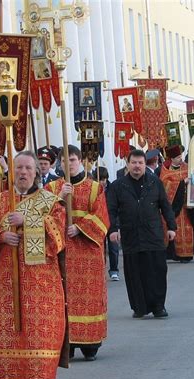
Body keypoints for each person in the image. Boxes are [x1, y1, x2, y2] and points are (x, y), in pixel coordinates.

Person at [0, 151, 67, 379]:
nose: (23, 172)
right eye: (19, 168)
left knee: (39, 328)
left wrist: (27, 220)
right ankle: (17, 376)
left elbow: (58, 234)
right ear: (12, 172)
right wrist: (0, 236)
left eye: (28, 168)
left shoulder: (50, 201)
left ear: (37, 172)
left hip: (41, 280)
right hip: (5, 277)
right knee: (11, 328)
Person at [45, 145, 109, 360]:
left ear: (81, 160)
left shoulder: (94, 188)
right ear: (59, 163)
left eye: (72, 159)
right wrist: (59, 197)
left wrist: (80, 227)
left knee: (88, 296)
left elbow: (102, 217)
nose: (68, 164)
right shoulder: (52, 187)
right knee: (64, 298)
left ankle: (91, 343)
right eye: (64, 161)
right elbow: (41, 213)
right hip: (62, 251)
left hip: (87, 252)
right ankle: (68, 343)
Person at [107, 149, 177, 318]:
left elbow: (165, 206)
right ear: (128, 164)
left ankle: (159, 306)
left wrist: (171, 227)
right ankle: (139, 307)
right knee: (134, 274)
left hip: (153, 235)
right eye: (134, 163)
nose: (137, 166)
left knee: (157, 271)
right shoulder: (118, 186)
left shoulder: (155, 183)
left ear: (145, 164)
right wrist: (113, 230)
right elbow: (111, 210)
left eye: (140, 163)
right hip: (131, 236)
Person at [93, 166, 120, 281]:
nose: (102, 182)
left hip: (111, 221)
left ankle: (114, 270)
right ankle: (101, 270)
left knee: (113, 248)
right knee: (100, 248)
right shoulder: (93, 189)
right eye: (100, 179)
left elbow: (117, 206)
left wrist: (117, 225)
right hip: (98, 222)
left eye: (104, 179)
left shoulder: (113, 188)